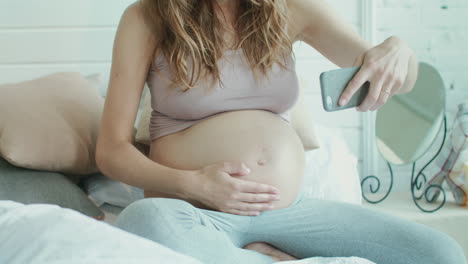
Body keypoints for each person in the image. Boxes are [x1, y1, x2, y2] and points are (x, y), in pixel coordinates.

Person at [95, 0, 467, 263]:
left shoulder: (289, 7)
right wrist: (194, 184)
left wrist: (399, 51)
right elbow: (111, 151)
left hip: (288, 212)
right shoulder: (146, 17)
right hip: (193, 212)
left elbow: (397, 77)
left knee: (441, 254)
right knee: (141, 222)